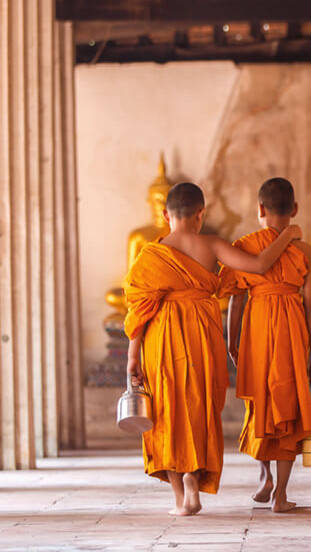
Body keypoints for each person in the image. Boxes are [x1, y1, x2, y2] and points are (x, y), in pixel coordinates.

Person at [125, 182, 301, 516]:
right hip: (202, 336)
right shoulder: (213, 245)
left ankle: (182, 496)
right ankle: (195, 472)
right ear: (201, 214)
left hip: (161, 337)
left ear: (165, 215)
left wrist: (133, 355)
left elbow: (139, 309)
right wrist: (288, 235)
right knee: (199, 406)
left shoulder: (150, 255)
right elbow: (261, 265)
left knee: (165, 410)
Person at [221, 177, 311, 513]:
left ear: (260, 209)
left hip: (258, 328)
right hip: (293, 330)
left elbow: (235, 299)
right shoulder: (305, 250)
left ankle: (263, 475)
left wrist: (231, 341)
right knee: (288, 406)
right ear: (294, 209)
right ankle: (280, 494)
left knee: (261, 403)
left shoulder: (245, 245)